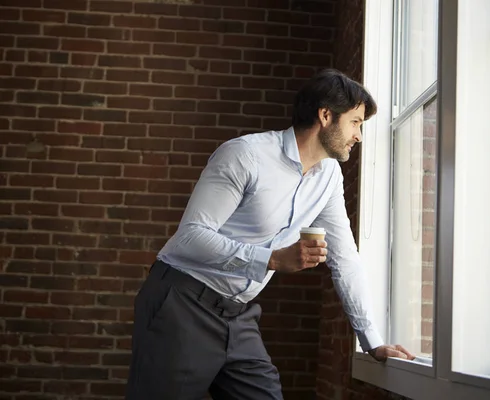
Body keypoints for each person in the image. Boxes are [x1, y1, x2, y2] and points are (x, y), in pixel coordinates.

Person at [125, 69, 415, 400]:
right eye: (355, 122)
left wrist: (373, 342)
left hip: (239, 314)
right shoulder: (245, 155)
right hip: (182, 303)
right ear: (325, 115)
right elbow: (190, 236)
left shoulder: (329, 177)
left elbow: (345, 258)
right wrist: (273, 258)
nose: (359, 135)